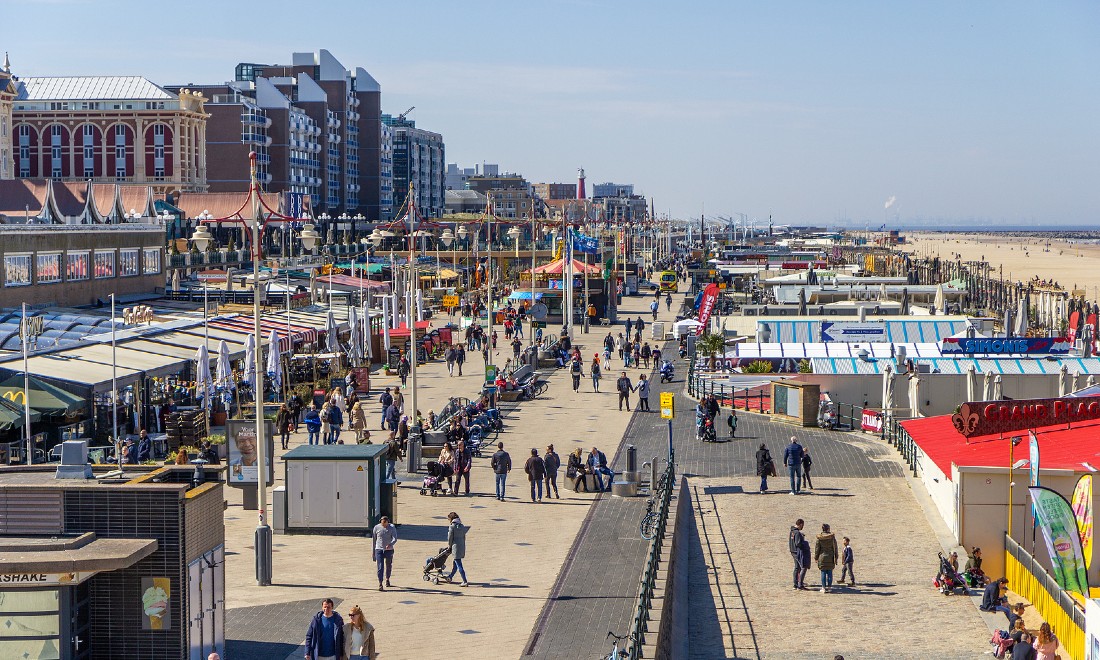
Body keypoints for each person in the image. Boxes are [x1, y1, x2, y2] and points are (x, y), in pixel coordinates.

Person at [444, 511, 469, 586]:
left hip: (455, 547)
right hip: (462, 546)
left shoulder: (452, 526)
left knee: (458, 564)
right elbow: (464, 537)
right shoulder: (462, 526)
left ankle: (464, 581)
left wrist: (449, 546)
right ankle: (450, 576)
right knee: (455, 563)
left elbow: (450, 538)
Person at [372, 516, 396, 591]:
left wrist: (390, 544)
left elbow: (395, 538)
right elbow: (374, 540)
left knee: (388, 565)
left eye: (385, 524)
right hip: (379, 549)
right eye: (382, 524)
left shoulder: (392, 527)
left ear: (387, 522)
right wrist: (373, 552)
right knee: (380, 566)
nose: (384, 526)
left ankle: (387, 578)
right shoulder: (376, 527)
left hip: (389, 550)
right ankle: (380, 583)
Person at [814, 523, 838, 593]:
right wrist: (836, 557)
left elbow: (817, 549)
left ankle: (823, 588)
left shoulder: (820, 538)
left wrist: (816, 557)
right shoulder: (832, 538)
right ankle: (829, 587)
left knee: (823, 572)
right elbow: (835, 548)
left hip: (822, 557)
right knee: (830, 572)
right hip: (830, 557)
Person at [789, 519, 808, 589]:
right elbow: (798, 543)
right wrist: (803, 544)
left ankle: (796, 583)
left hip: (792, 550)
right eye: (802, 525)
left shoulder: (792, 531)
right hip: (796, 552)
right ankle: (799, 583)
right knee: (802, 567)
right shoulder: (797, 532)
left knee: (797, 567)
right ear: (800, 524)